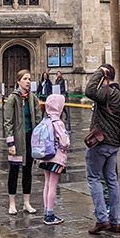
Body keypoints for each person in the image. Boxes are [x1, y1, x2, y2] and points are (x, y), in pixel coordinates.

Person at [84, 64, 120, 235]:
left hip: (100, 142)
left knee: (93, 177)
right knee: (111, 180)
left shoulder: (105, 92)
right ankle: (115, 221)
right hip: (114, 143)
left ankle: (102, 219)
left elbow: (89, 91)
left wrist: (99, 72)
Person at [3, 69, 41, 215]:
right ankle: (12, 203)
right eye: (25, 79)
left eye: (29, 79)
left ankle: (26, 202)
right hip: (17, 140)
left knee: (27, 171)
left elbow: (38, 119)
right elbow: (8, 122)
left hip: (29, 138)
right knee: (13, 171)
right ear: (18, 81)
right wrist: (10, 143)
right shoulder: (12, 99)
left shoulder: (33, 98)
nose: (28, 81)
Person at [38, 92, 70, 225]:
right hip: (56, 158)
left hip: (44, 157)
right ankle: (49, 215)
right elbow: (65, 142)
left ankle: (46, 211)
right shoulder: (58, 123)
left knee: (46, 184)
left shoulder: (45, 120)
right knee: (53, 185)